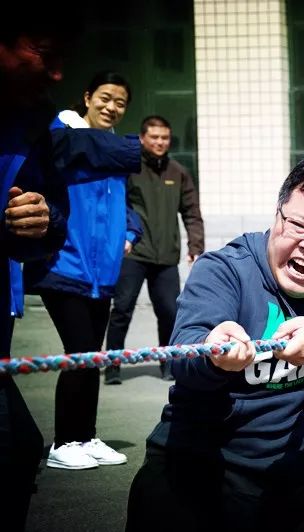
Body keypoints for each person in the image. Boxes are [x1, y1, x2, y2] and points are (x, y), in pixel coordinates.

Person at [126, 156, 304, 532]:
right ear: (277, 215)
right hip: (195, 474)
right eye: (298, 224)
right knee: (160, 497)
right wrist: (213, 353)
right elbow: (185, 352)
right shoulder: (225, 268)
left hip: (285, 489)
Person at [24, 71, 142, 471]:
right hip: (65, 266)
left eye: (120, 103)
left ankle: (85, 436)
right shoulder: (61, 131)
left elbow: (125, 203)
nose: (111, 107)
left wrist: (130, 231)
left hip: (103, 273)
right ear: (87, 97)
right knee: (78, 353)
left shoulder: (108, 149)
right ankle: (63, 442)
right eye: (105, 98)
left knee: (92, 357)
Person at [0, 10, 74, 529]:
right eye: (44, 53)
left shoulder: (35, 120)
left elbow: (53, 213)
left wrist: (41, 222)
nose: (56, 72)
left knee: (17, 450)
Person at [105, 115, 204, 384]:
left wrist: (196, 246)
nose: (160, 142)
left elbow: (192, 212)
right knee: (122, 309)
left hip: (166, 256)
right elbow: (116, 207)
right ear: (142, 138)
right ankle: (112, 365)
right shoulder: (130, 169)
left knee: (170, 312)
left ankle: (169, 364)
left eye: (165, 138)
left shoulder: (178, 172)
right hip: (133, 253)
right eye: (155, 137)